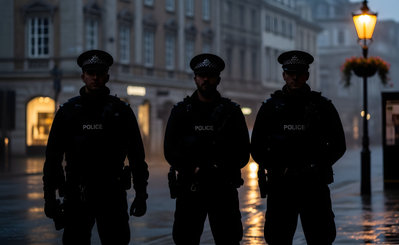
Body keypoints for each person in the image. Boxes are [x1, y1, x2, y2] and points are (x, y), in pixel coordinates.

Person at [43, 50, 149, 245]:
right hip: (77, 194)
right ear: (83, 76)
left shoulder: (121, 112)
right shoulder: (67, 113)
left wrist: (141, 194)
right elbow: (53, 158)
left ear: (107, 77)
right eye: (90, 72)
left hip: (112, 194)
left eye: (99, 73)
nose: (95, 77)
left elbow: (136, 156)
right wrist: (49, 197)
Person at [251, 50, 346, 245]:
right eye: (290, 72)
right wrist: (277, 167)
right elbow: (257, 146)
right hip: (281, 186)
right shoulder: (270, 107)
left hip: (314, 185)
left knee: (321, 238)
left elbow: (339, 144)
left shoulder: (322, 106)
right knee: (277, 238)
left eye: (299, 73)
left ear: (307, 75)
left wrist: (317, 165)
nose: (294, 77)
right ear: (283, 75)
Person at [164, 53, 250, 245]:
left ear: (218, 79)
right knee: (185, 238)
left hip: (223, 189)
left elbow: (244, 151)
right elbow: (170, 149)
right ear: (195, 78)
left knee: (228, 238)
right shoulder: (181, 111)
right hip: (190, 188)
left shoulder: (232, 112)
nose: (205, 79)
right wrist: (190, 169)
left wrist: (220, 168)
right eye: (201, 75)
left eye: (210, 75)